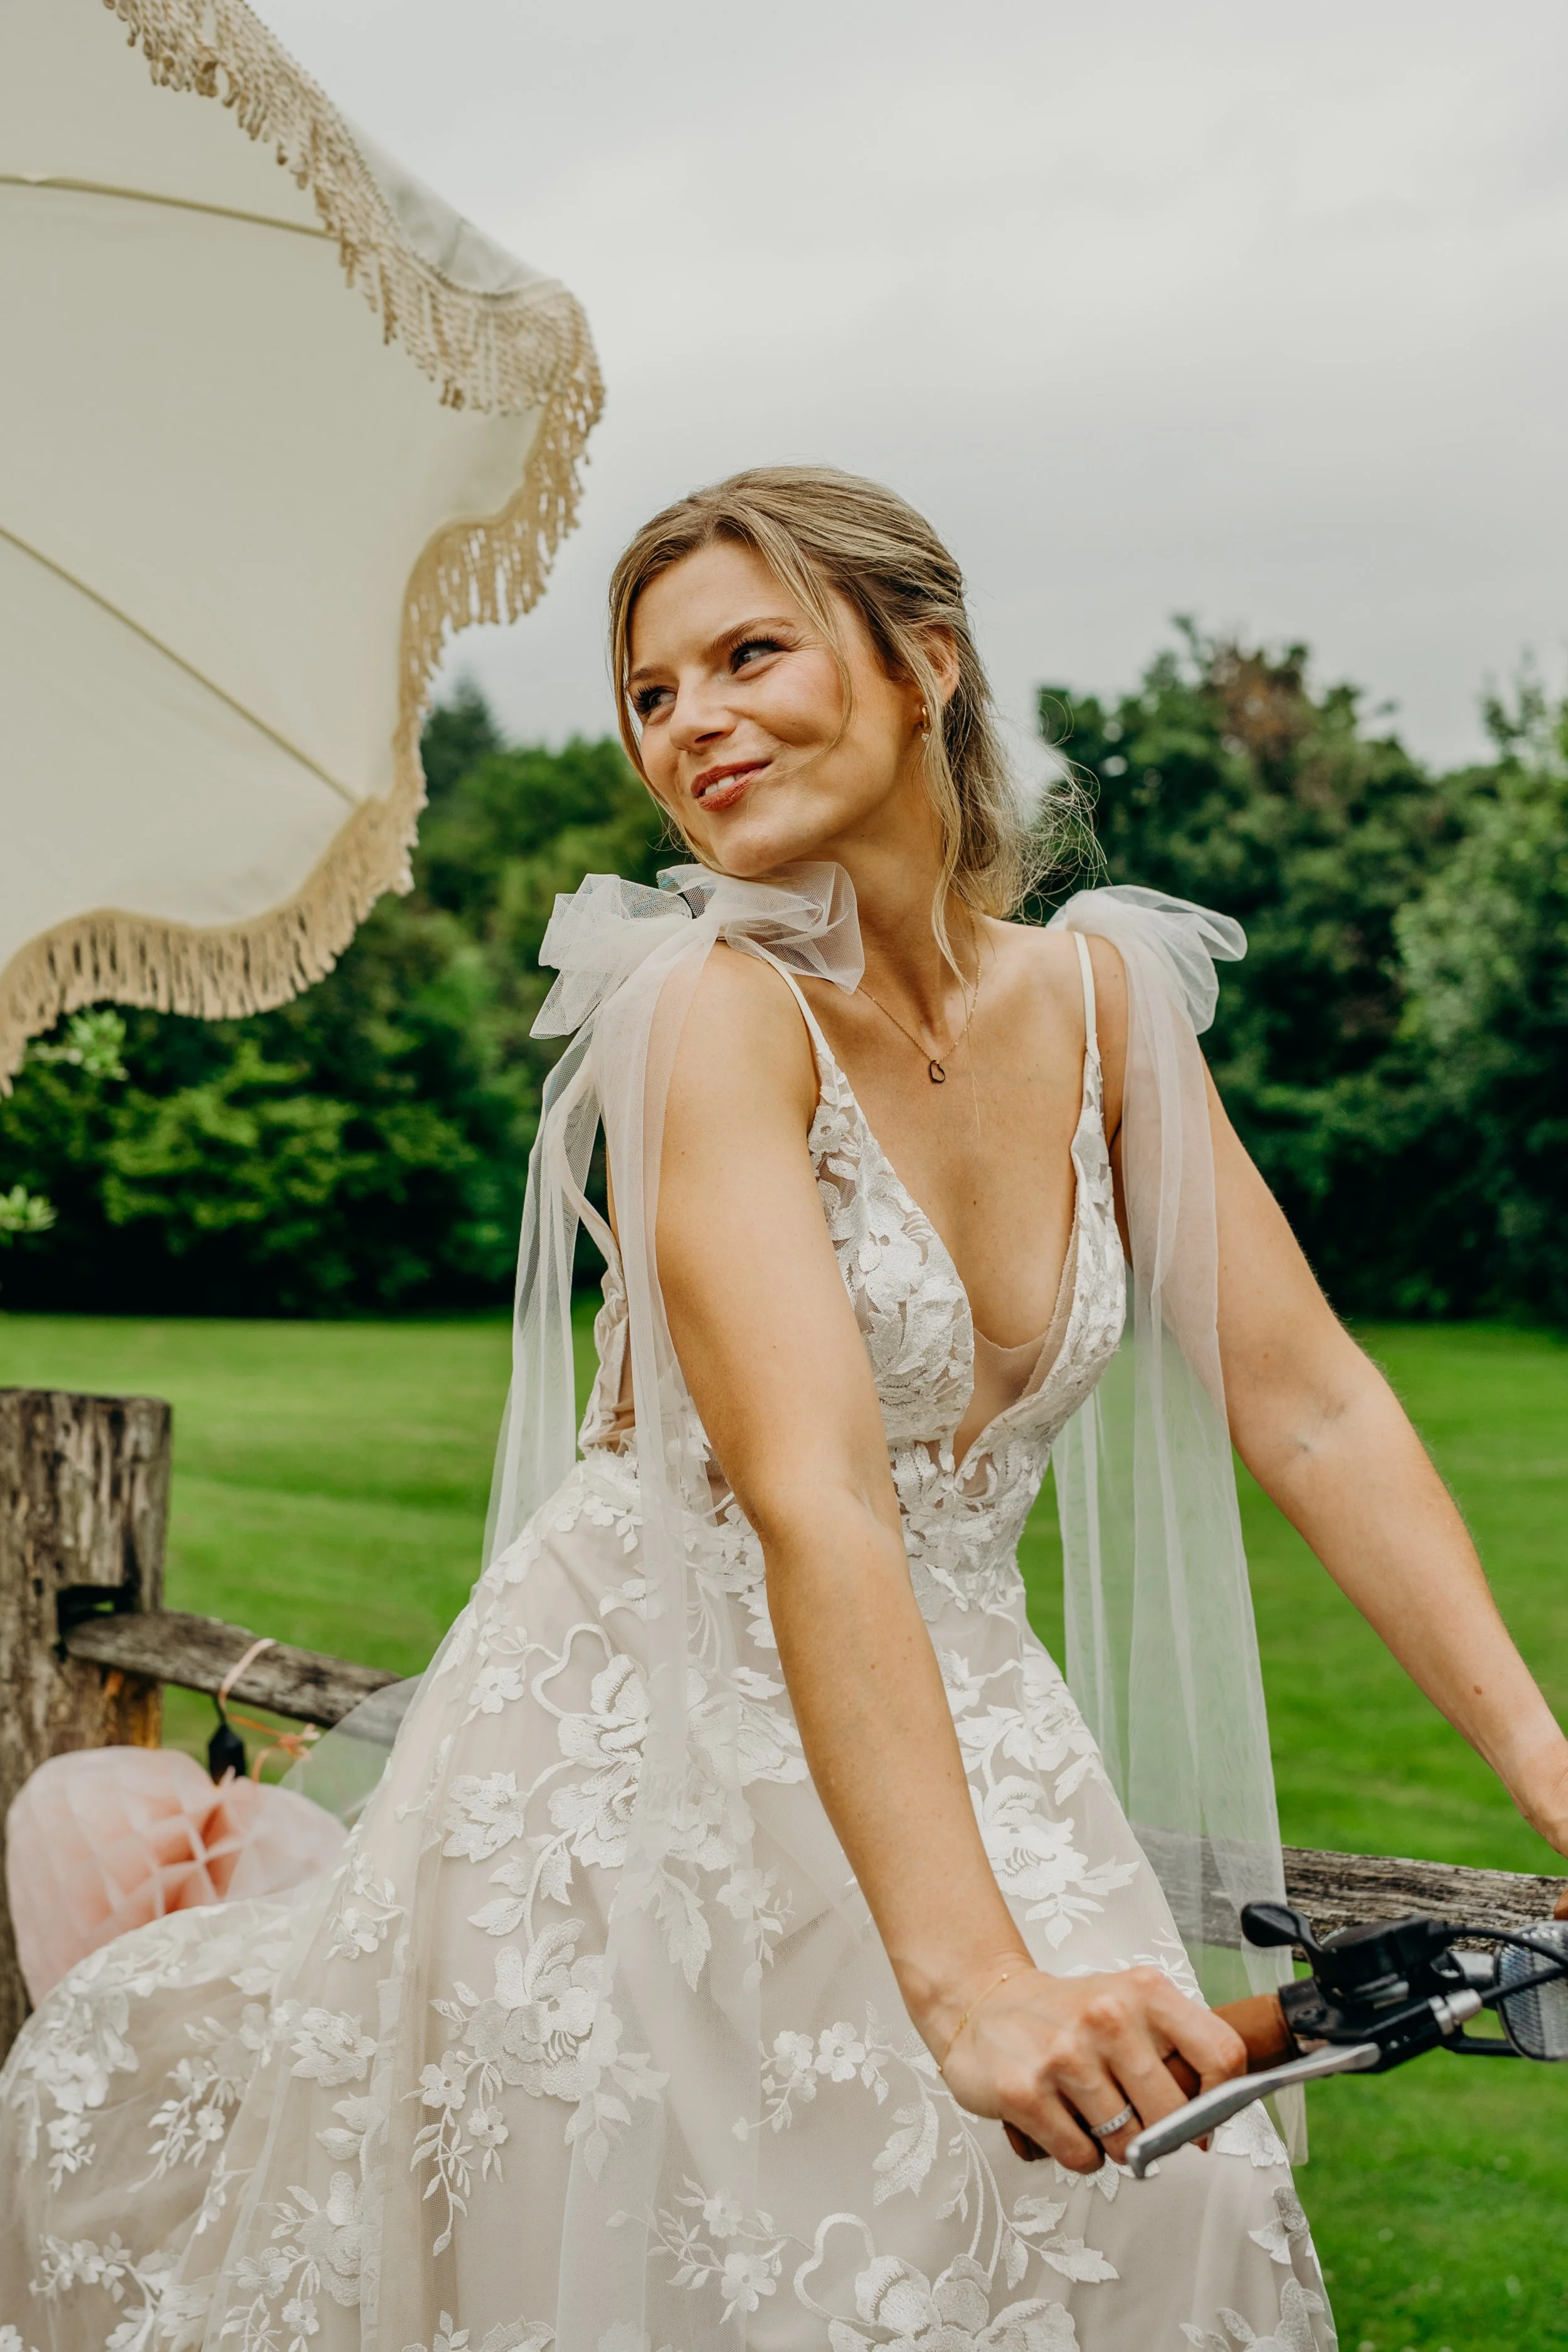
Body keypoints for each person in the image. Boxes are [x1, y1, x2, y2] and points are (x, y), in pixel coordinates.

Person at [4, 467, 1567, 2352]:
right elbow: (814, 1489)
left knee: (1166, 2193)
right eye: (650, 696)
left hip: (977, 1709)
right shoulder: (705, 1013)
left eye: (748, 653)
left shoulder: (1106, 1001)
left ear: (924, 660)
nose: (692, 726)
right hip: (643, 1746)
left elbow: (1312, 1409)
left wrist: (1546, 1770)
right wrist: (971, 1975)